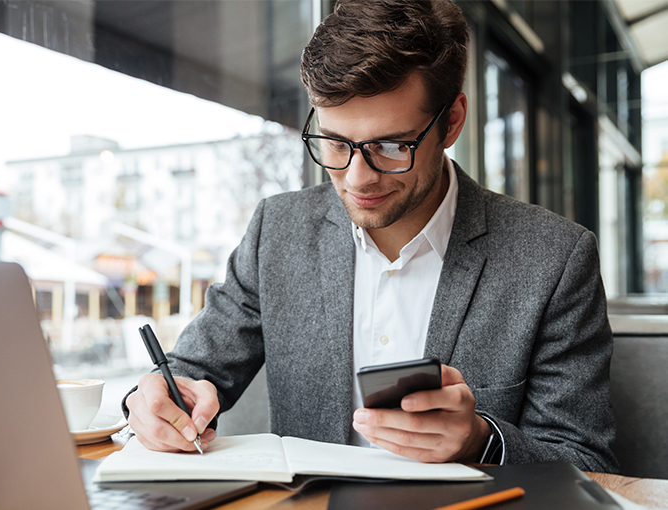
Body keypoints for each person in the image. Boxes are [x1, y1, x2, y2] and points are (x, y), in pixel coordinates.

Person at [123, 0, 617, 472]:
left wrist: (481, 440)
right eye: (335, 143)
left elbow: (586, 462)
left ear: (452, 121)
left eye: (390, 145)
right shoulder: (277, 232)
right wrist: (152, 402)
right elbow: (189, 373)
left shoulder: (554, 259)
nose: (357, 178)